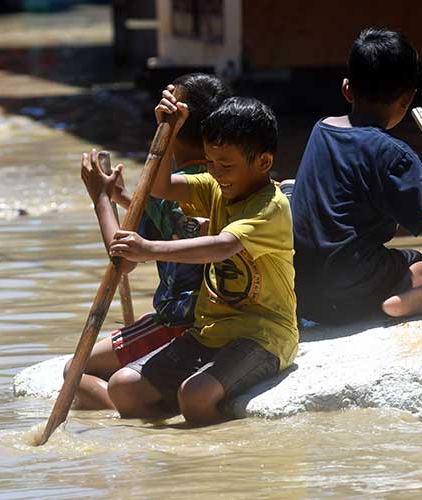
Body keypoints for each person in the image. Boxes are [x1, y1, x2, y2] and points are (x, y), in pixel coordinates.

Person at [290, 28, 422, 325]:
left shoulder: (322, 130)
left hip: (305, 294)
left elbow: (364, 190)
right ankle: (397, 302)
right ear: (407, 98)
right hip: (349, 293)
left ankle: (385, 300)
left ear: (346, 89)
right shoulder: (392, 152)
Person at [105, 96, 298, 426]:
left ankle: (216, 458)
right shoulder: (215, 186)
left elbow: (222, 246)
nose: (216, 173)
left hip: (262, 336)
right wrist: (167, 131)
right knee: (122, 388)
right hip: (208, 332)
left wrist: (149, 249)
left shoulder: (270, 208)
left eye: (226, 166)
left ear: (263, 162)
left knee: (194, 395)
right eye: (210, 162)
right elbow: (161, 186)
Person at [65, 73, 231, 410]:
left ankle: (124, 415)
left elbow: (123, 260)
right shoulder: (222, 179)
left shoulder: (169, 189)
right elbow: (175, 222)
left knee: (74, 373)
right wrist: (127, 199)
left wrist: (100, 200)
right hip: (214, 318)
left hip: (178, 322)